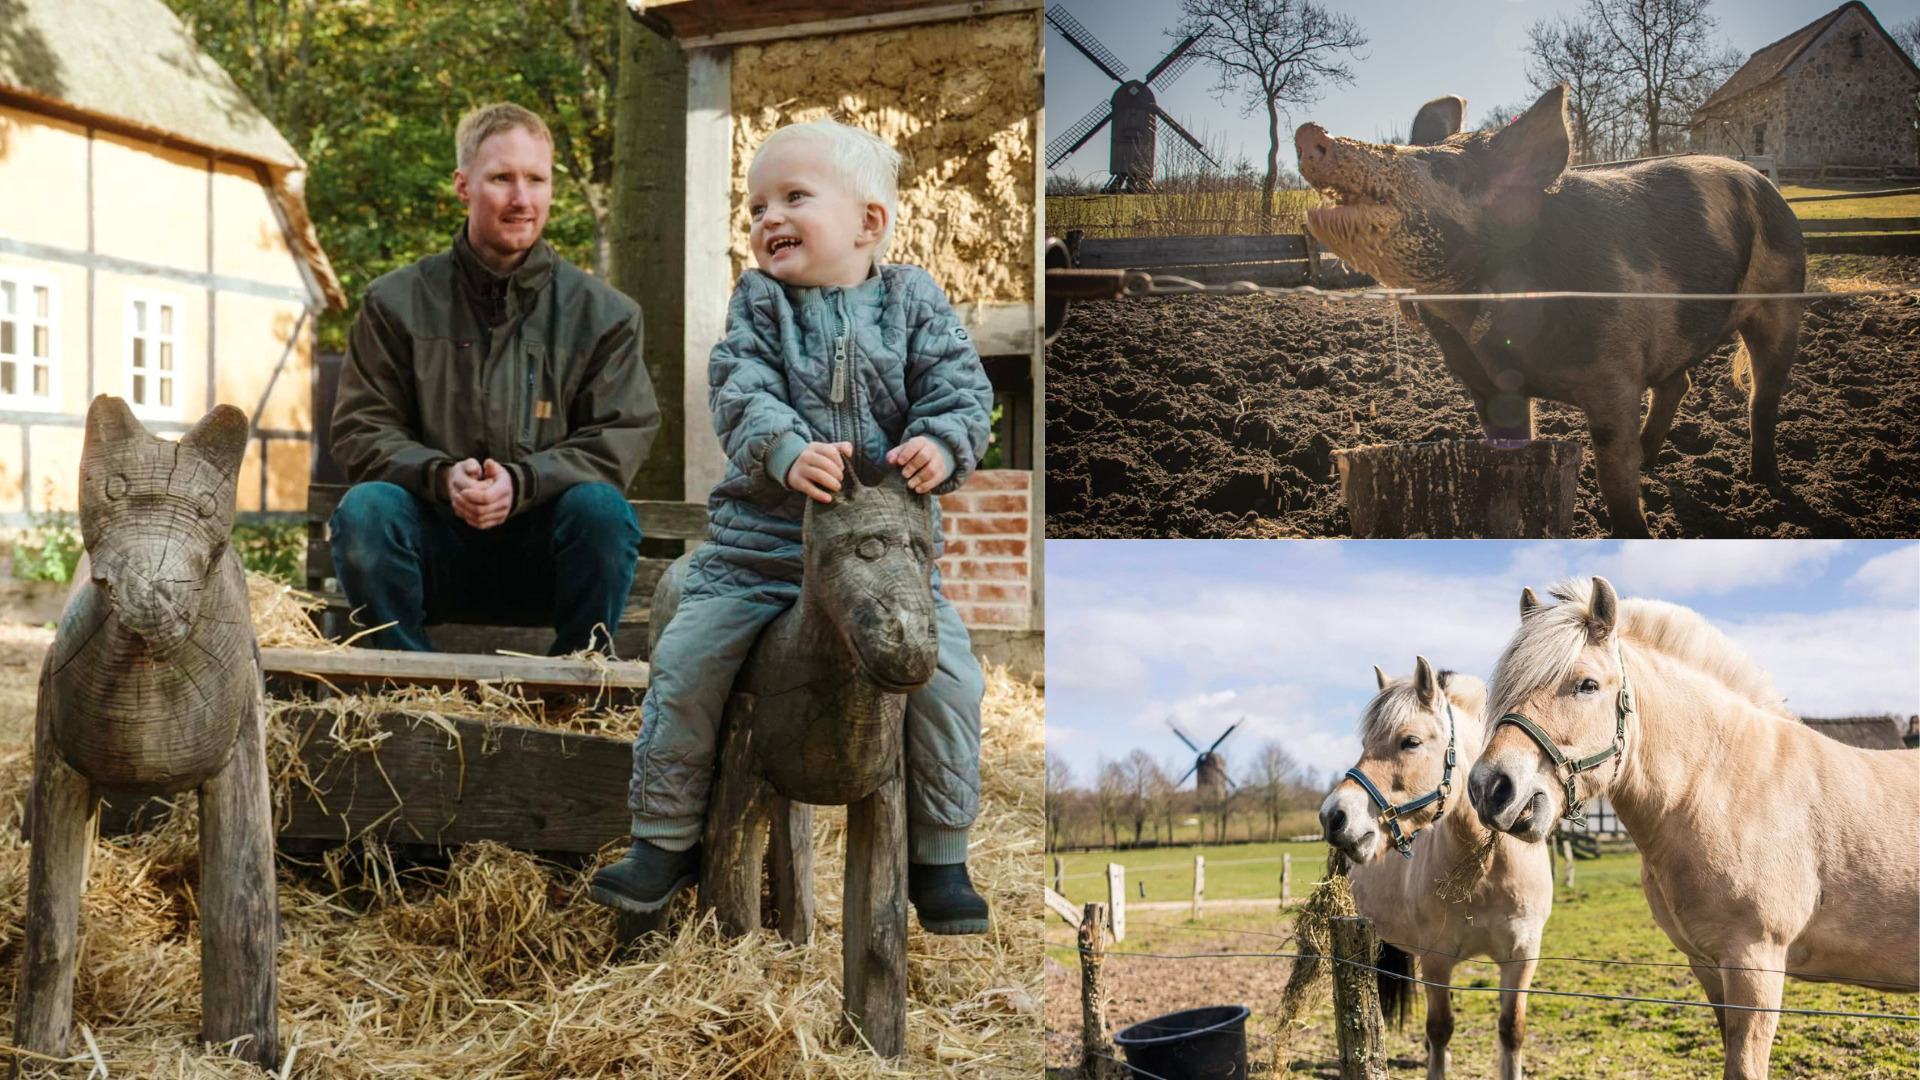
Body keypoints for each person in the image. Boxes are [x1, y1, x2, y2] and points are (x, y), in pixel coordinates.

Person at [589, 118, 994, 934]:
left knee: (951, 676)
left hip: (883, 560)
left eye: (793, 198)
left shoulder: (914, 303)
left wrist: (943, 443)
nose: (767, 218)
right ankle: (664, 837)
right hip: (762, 553)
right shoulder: (759, 304)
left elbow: (963, 387)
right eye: (755, 206)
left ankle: (940, 853)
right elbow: (739, 388)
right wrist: (782, 448)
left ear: (868, 223)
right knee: (688, 658)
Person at [328, 103, 658, 655]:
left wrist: (522, 483)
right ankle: (405, 690)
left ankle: (575, 689)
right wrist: (439, 476)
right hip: (431, 552)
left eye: (536, 179)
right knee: (366, 511)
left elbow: (618, 436)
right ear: (463, 186)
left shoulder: (606, 315)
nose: (521, 199)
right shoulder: (394, 302)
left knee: (602, 512)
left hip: (545, 560)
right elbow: (361, 429)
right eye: (501, 178)